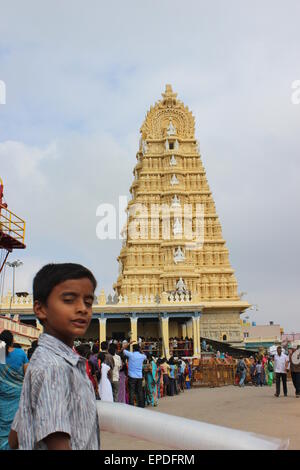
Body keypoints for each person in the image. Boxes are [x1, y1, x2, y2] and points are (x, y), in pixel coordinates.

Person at [8, 262, 100, 450]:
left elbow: (14, 438)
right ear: (40, 309)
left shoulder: (44, 361)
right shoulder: (54, 367)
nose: (82, 308)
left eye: (88, 302)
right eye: (69, 300)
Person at [0, 330, 28, 450]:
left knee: (3, 424)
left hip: (3, 395)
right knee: (17, 423)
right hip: (18, 395)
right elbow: (27, 375)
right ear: (12, 340)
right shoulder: (20, 353)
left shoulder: (1, 353)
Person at [122, 342, 146, 408]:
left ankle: (131, 405)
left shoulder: (131, 354)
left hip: (131, 376)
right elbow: (145, 355)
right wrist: (140, 350)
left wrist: (129, 343)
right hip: (139, 376)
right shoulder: (142, 356)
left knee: (131, 391)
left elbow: (123, 349)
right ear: (139, 349)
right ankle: (141, 405)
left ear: (133, 349)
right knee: (139, 391)